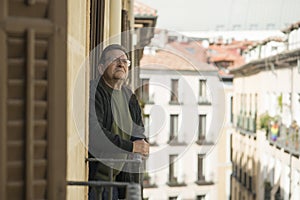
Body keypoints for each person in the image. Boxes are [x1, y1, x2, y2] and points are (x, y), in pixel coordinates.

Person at [88, 44, 149, 200]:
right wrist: (132, 146)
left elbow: (138, 133)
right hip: (96, 182)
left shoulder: (129, 96)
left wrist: (142, 144)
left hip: (119, 182)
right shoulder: (94, 92)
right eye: (114, 60)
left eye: (124, 61)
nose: (121, 63)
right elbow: (95, 134)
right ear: (101, 68)